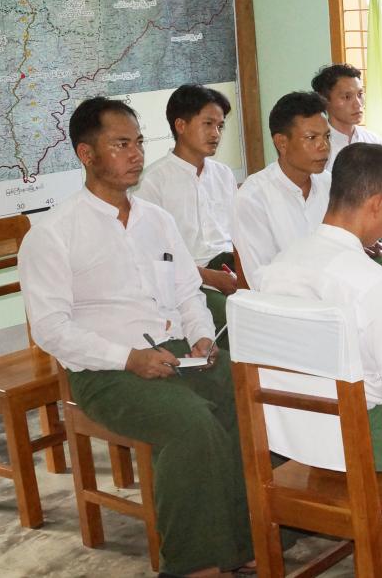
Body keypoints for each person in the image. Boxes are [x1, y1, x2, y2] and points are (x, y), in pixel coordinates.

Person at [19, 98, 252, 577]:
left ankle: (244, 540)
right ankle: (192, 564)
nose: (136, 154)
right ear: (86, 154)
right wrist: (128, 359)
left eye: (139, 142)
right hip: (106, 372)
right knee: (191, 424)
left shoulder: (156, 220)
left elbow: (187, 293)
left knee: (251, 396)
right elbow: (51, 330)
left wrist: (203, 338)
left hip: (178, 354)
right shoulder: (54, 233)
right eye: (121, 144)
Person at [259, 142, 382, 471]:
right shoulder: (373, 282)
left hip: (296, 435)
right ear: (377, 204)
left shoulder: (280, 264)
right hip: (368, 439)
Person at [134, 84, 239, 337]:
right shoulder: (152, 181)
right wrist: (209, 277)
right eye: (208, 124)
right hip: (190, 281)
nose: (216, 133)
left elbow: (238, 234)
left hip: (230, 268)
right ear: (180, 125)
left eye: (220, 126)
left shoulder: (223, 174)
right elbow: (153, 258)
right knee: (239, 322)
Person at [231, 91, 331, 281]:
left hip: (333, 289)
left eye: (327, 136)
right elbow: (261, 277)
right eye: (312, 138)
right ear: (282, 143)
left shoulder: (330, 184)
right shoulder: (253, 198)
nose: (324, 146)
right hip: (284, 297)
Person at [312, 63, 382, 167]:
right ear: (325, 100)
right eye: (347, 97)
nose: (358, 104)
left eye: (360, 94)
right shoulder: (317, 146)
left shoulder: (374, 142)